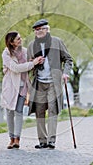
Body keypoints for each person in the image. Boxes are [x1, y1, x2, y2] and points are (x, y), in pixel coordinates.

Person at [27, 19, 73, 149]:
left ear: (47, 30)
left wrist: (65, 73)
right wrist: (34, 62)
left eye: (41, 29)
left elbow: (68, 59)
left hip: (54, 82)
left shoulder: (57, 42)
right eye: (36, 30)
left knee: (53, 110)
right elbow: (29, 64)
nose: (38, 32)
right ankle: (42, 141)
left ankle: (51, 140)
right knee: (39, 111)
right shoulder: (31, 45)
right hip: (39, 83)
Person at [1, 31, 43, 149]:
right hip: (10, 87)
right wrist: (31, 63)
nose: (21, 40)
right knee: (9, 112)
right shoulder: (6, 54)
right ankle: (11, 138)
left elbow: (31, 62)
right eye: (18, 39)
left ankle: (17, 139)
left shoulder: (25, 51)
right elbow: (15, 68)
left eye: (20, 38)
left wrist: (37, 61)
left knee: (19, 112)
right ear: (11, 42)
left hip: (23, 87)